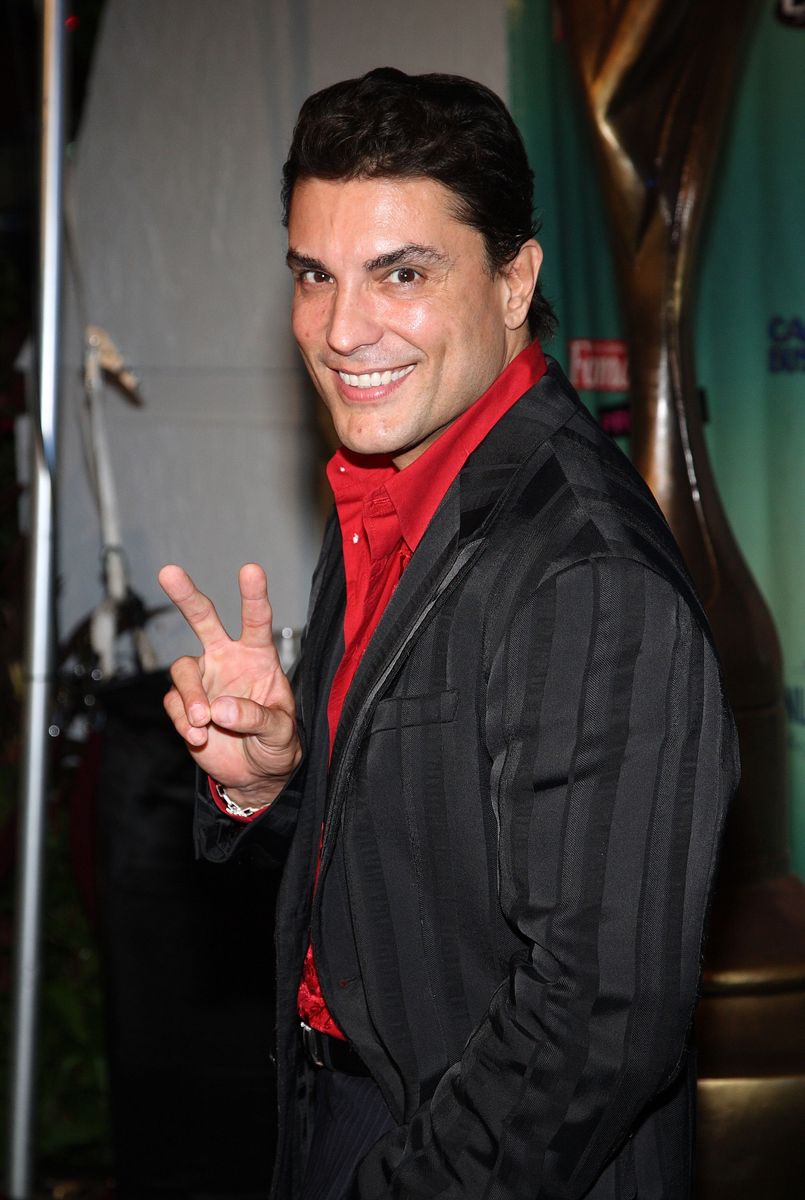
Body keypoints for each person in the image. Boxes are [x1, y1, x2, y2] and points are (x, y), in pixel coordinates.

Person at [159, 68, 737, 1200]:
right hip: (352, 1106)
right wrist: (268, 782)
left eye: (402, 274)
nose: (341, 329)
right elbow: (397, 868)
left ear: (514, 280)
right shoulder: (390, 488)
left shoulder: (584, 574)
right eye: (314, 275)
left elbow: (596, 1020)